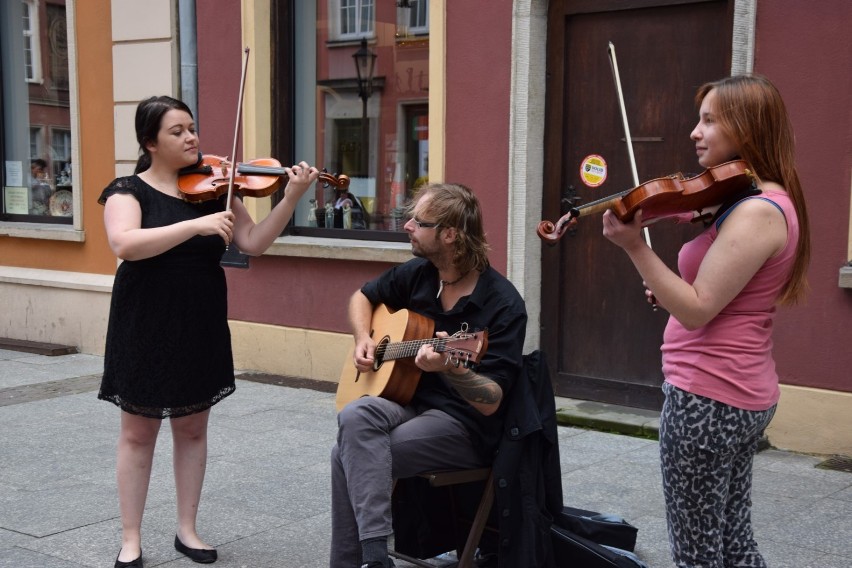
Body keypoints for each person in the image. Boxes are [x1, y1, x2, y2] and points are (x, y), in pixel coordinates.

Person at [98, 95, 319, 568]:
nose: (191, 137)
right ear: (150, 142)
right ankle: (131, 539)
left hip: (199, 318)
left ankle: (188, 530)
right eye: (177, 131)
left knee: (193, 429)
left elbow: (253, 243)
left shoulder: (217, 188)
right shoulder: (126, 191)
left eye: (192, 127)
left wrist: (291, 197)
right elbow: (126, 245)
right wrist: (196, 226)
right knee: (138, 433)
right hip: (145, 321)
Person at [602, 74, 810, 567]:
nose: (696, 131)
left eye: (710, 120)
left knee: (697, 554)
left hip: (708, 398)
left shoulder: (758, 211)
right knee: (733, 545)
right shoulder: (755, 199)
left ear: (747, 127)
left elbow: (697, 308)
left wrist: (633, 245)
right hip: (736, 390)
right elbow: (711, 293)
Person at [331, 183, 528, 568]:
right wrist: (361, 340)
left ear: (449, 234)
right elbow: (362, 296)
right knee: (353, 417)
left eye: (418, 222)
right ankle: (373, 558)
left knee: (346, 454)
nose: (406, 226)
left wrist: (453, 369)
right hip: (408, 403)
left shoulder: (503, 304)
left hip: (462, 424)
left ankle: (362, 560)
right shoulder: (421, 274)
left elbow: (491, 401)